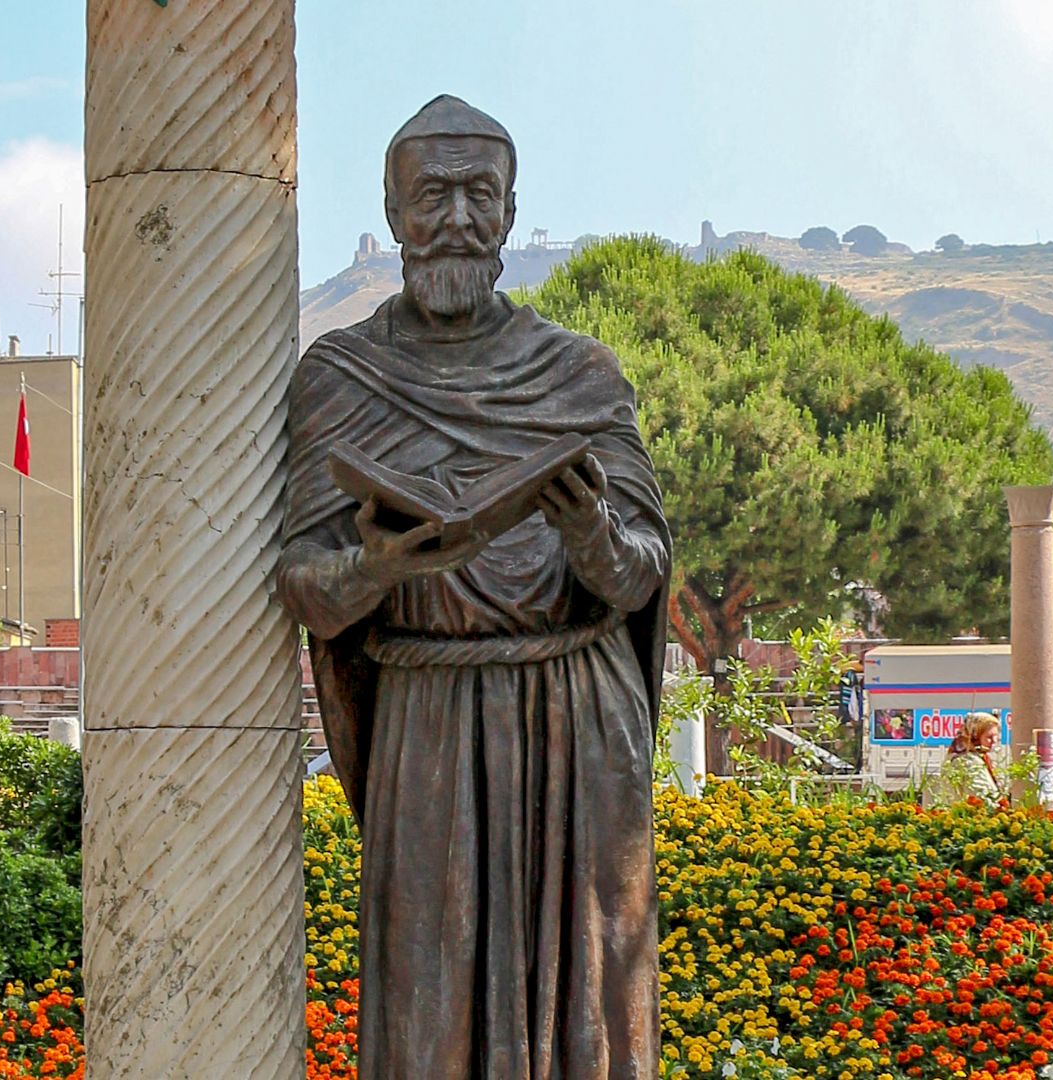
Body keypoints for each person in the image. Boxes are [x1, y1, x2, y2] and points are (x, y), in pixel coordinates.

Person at [276, 95, 669, 1078]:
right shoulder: (341, 377)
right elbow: (304, 587)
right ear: (392, 209)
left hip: (573, 719)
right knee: (427, 1001)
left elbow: (641, 573)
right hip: (428, 719)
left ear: (509, 210)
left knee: (587, 995)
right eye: (432, 195)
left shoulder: (576, 373)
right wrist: (375, 566)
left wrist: (589, 530)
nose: (455, 218)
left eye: (478, 195)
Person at [923, 711, 1005, 808]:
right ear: (975, 736)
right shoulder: (967, 761)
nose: (994, 741)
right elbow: (979, 796)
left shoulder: (970, 756)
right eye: (989, 737)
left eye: (996, 737)